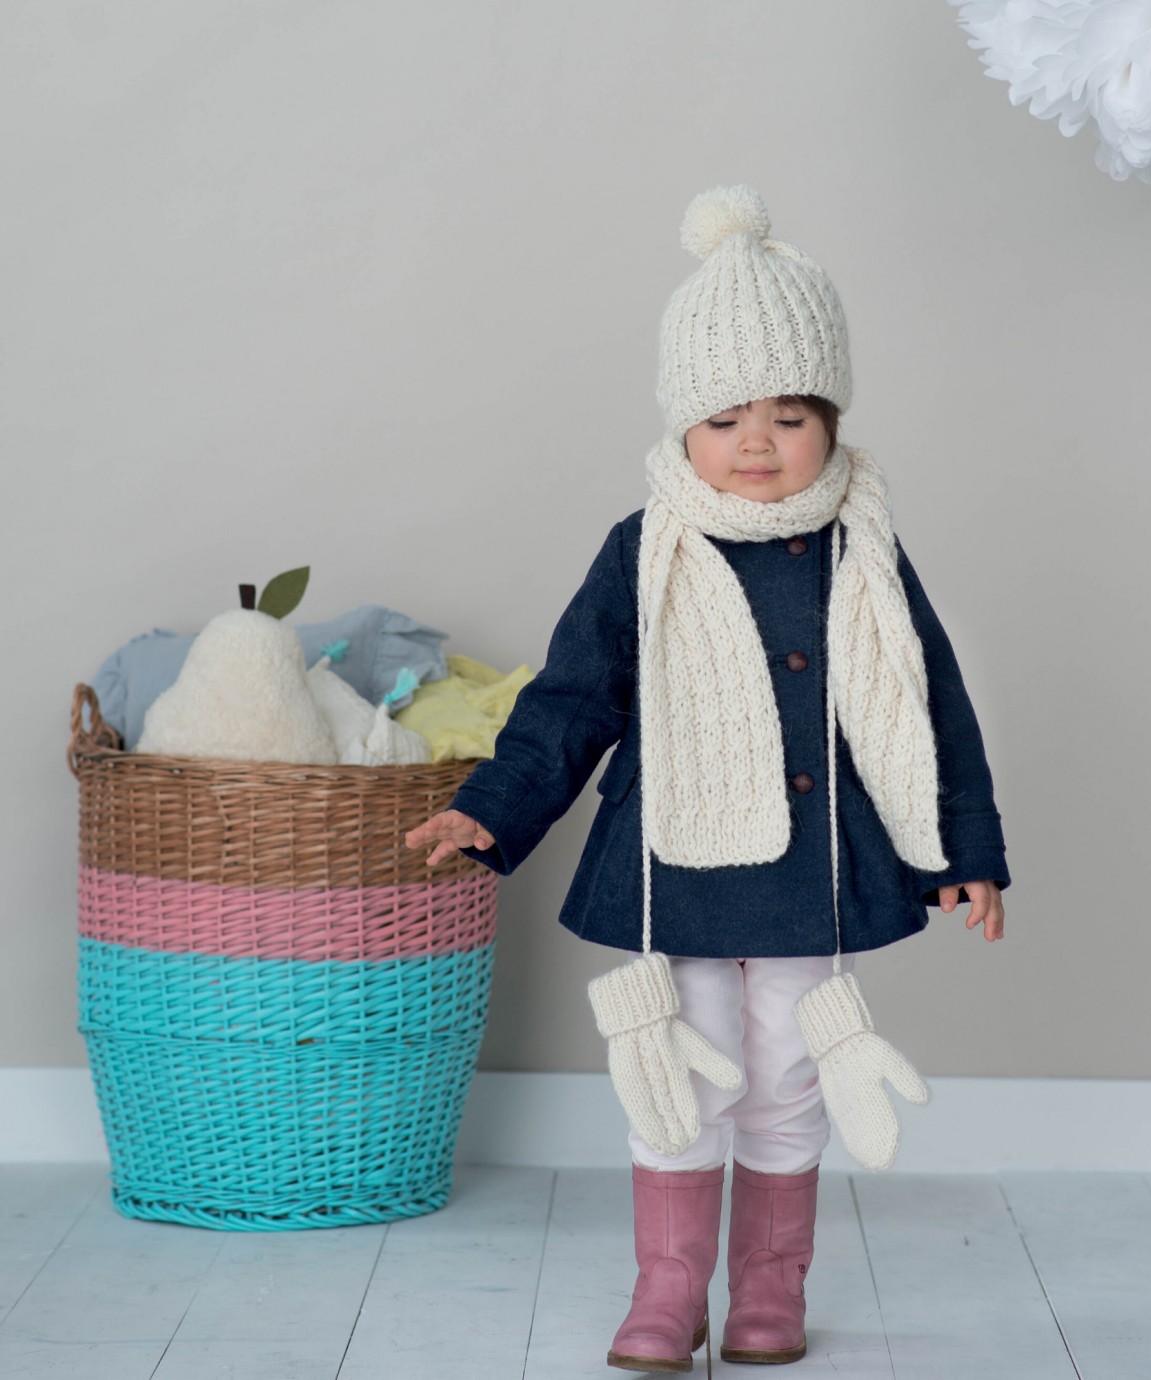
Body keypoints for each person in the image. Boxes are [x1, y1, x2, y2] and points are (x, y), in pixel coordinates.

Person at [404, 184, 1009, 1372]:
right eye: (728, 415)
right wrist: (491, 806)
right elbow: (572, 703)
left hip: (816, 869)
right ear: (684, 424)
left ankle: (770, 1291)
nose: (756, 443)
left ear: (831, 425)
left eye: (790, 416)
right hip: (673, 867)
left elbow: (929, 704)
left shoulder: (863, 552)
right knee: (676, 1072)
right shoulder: (643, 551)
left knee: (789, 1072)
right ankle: (670, 1286)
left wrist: (966, 851)